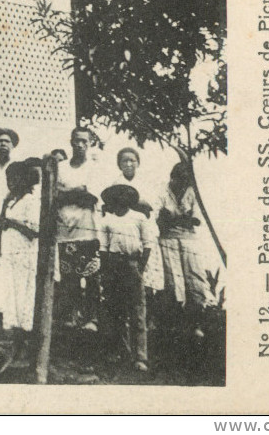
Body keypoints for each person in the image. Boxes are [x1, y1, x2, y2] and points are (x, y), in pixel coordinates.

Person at [99, 184, 157, 372]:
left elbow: (147, 244)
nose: (121, 198)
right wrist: (107, 272)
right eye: (117, 195)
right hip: (114, 265)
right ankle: (121, 352)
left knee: (138, 311)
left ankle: (140, 357)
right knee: (116, 310)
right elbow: (103, 248)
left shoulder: (139, 218)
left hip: (133, 265)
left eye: (125, 195)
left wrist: (140, 267)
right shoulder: (107, 220)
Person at [156, 162, 216, 338]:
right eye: (178, 180)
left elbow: (195, 220)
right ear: (172, 177)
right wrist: (181, 218)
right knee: (173, 280)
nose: (181, 184)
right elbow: (159, 218)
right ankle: (176, 324)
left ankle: (197, 322)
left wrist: (173, 218)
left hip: (189, 239)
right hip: (167, 238)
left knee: (195, 278)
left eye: (184, 181)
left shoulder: (192, 192)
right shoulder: (163, 191)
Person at [0, 159, 42, 368]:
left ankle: (25, 349)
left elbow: (34, 231)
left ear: (25, 179)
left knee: (23, 298)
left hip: (25, 255)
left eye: (16, 178)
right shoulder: (10, 200)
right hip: (10, 254)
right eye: (8, 179)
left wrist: (11, 222)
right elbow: (0, 226)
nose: (11, 182)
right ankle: (14, 346)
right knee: (10, 297)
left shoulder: (31, 201)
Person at [55, 127, 102, 332]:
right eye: (76, 140)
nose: (80, 145)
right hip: (64, 229)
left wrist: (68, 192)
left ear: (90, 143)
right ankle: (72, 316)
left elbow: (91, 196)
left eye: (84, 141)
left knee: (91, 275)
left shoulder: (94, 167)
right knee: (69, 278)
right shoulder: (61, 167)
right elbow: (55, 195)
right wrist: (77, 191)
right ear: (71, 141)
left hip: (87, 229)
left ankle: (91, 318)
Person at [110, 147, 165, 305]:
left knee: (147, 274)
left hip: (145, 230)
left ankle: (149, 314)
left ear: (138, 163)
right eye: (124, 161)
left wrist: (135, 203)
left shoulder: (146, 183)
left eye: (132, 160)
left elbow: (151, 206)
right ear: (119, 164)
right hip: (126, 232)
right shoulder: (116, 184)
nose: (128, 164)